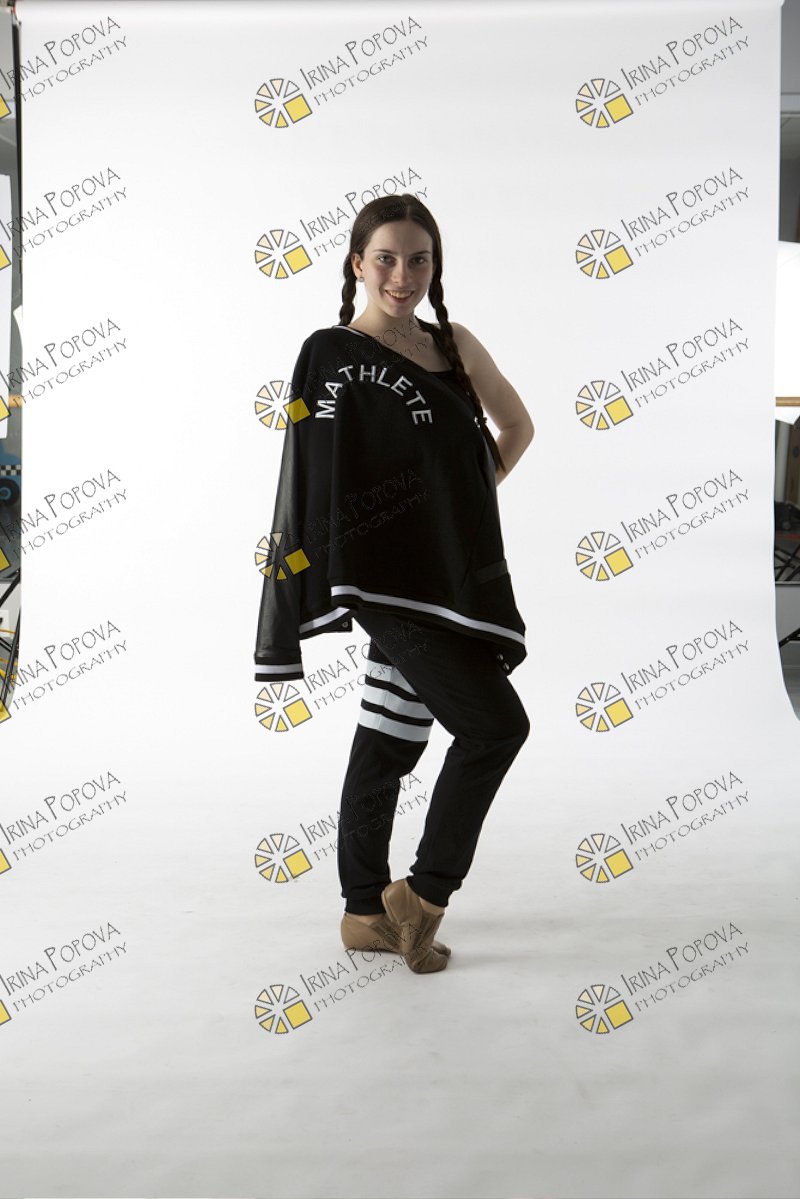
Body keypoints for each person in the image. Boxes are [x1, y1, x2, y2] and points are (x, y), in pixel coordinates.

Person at [254, 194, 534, 975]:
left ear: (435, 266)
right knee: (496, 727)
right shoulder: (332, 353)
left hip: (450, 580)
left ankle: (363, 912)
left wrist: (457, 508)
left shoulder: (455, 345)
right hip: (380, 585)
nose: (402, 275)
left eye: (418, 259)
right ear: (357, 264)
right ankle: (424, 894)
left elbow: (517, 428)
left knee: (389, 735)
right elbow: (312, 471)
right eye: (385, 258)